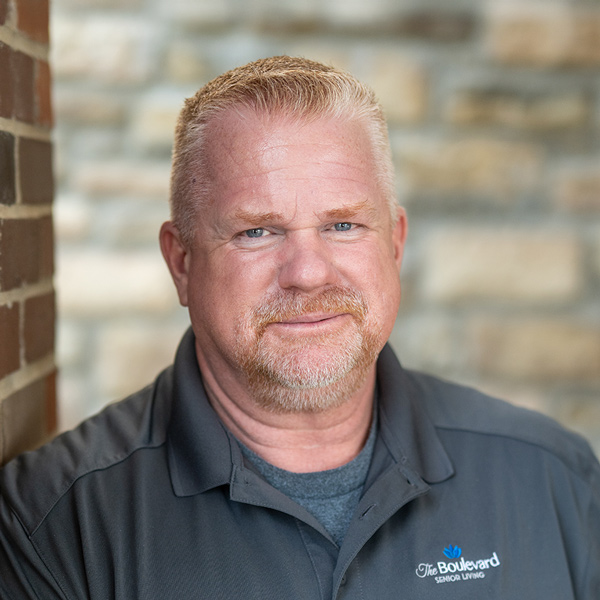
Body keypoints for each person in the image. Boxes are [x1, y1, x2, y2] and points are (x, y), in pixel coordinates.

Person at [1, 56, 599, 599]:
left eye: (343, 225)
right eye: (257, 231)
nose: (308, 274)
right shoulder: (52, 526)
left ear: (395, 242)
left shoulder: (554, 480)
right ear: (181, 262)